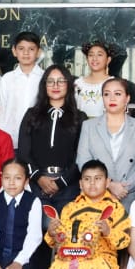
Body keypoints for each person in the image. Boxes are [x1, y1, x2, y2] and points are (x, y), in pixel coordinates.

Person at [18, 64, 87, 213]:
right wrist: (39, 178)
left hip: (69, 186)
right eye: (50, 81)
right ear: (44, 86)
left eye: (61, 81)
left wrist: (62, 182)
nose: (55, 85)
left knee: (65, 232)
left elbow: (82, 156)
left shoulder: (80, 117)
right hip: (37, 184)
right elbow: (24, 152)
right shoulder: (31, 115)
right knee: (38, 231)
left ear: (68, 85)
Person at [76, 78, 135, 209]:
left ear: (127, 98)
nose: (112, 98)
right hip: (96, 196)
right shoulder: (89, 126)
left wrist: (123, 188)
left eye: (118, 94)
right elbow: (83, 161)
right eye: (107, 94)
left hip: (130, 197)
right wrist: (109, 185)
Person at [0, 32, 45, 144]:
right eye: (21, 48)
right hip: (12, 138)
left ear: (38, 52)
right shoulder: (7, 79)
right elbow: (1, 109)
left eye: (31, 49)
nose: (26, 53)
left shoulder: (45, 77)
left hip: (39, 137)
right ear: (14, 51)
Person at [73, 39, 124, 118]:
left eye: (99, 55)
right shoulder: (78, 83)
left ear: (108, 60)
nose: (94, 58)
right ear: (87, 59)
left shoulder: (114, 84)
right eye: (91, 55)